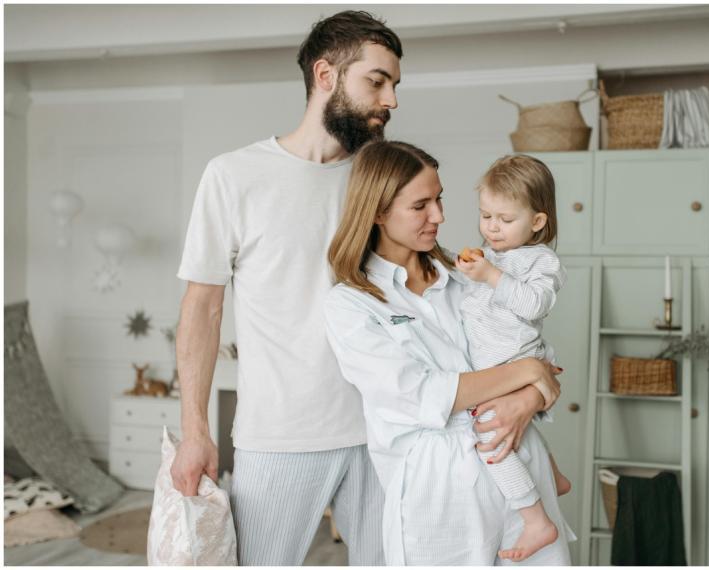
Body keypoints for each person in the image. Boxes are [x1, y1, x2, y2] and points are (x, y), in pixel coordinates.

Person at [170, 11, 402, 565]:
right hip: (279, 437)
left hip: (384, 429)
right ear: (326, 75)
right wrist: (195, 431)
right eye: (377, 81)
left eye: (394, 85)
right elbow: (202, 310)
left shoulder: (379, 179)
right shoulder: (234, 175)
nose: (391, 100)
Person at [324, 140, 575, 565]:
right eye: (420, 205)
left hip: (518, 465)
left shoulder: (469, 276)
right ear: (379, 212)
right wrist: (528, 372)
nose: (439, 215)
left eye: (438, 199)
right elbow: (419, 395)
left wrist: (529, 395)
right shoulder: (350, 304)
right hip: (441, 491)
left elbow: (539, 367)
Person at [455, 154, 574, 561]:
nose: (492, 227)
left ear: (537, 221)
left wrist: (490, 275)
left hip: (513, 363)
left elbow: (534, 304)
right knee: (516, 436)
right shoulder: (492, 255)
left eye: (505, 219)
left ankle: (536, 519)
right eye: (486, 215)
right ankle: (554, 475)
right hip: (496, 366)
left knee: (491, 442)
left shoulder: (542, 261)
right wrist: (469, 270)